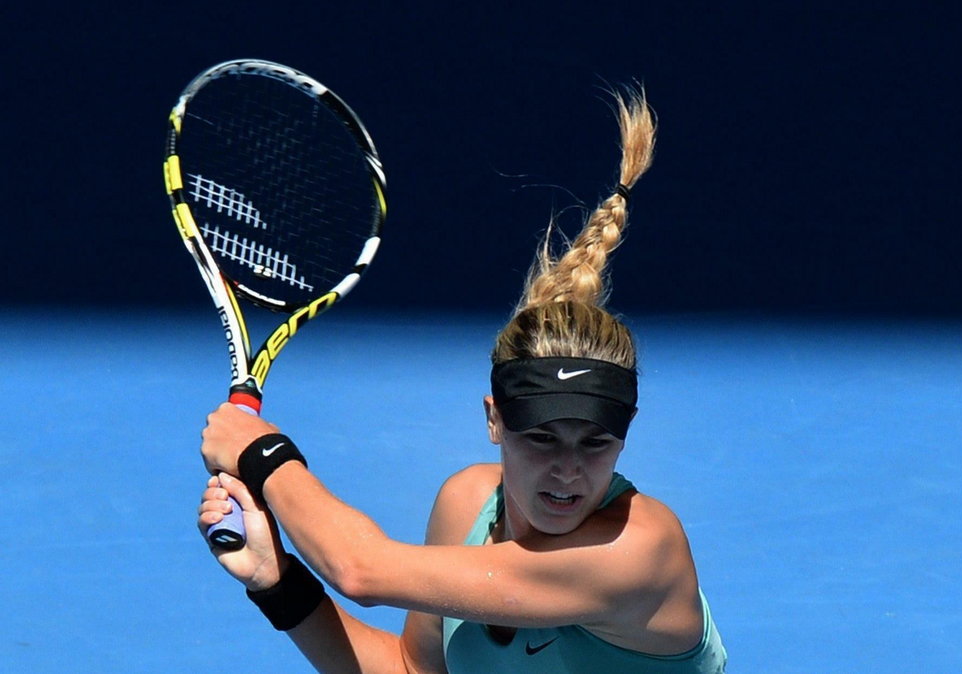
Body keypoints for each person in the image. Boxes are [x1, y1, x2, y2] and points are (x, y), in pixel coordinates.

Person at [196, 87, 727, 673]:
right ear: (494, 418)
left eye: (594, 441)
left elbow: (360, 570)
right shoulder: (466, 505)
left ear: (624, 435)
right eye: (542, 437)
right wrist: (278, 584)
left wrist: (259, 452)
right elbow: (413, 669)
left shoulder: (639, 550)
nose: (568, 469)